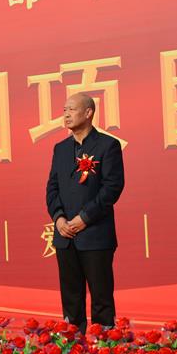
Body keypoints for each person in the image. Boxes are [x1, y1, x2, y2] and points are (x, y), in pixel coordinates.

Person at [45, 93, 125, 333]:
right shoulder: (60, 149)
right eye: (64, 110)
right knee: (71, 299)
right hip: (65, 236)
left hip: (95, 234)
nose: (66, 114)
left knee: (101, 297)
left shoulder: (108, 145)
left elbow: (112, 188)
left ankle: (105, 347)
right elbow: (52, 188)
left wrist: (84, 218)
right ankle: (72, 348)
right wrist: (59, 218)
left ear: (88, 112)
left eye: (71, 109)